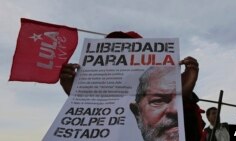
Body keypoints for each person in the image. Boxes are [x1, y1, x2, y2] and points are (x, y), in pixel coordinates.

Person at [59, 31, 205, 141]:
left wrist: (184, 99)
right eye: (157, 101)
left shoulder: (182, 108)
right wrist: (77, 96)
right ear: (136, 111)